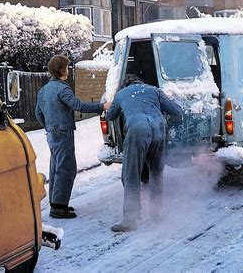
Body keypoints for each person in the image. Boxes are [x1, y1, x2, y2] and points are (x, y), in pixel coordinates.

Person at [35, 55, 111, 219]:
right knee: (67, 168)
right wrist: (101, 106)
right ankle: (58, 208)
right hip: (63, 132)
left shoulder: (44, 90)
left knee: (56, 167)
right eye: (67, 67)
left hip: (51, 133)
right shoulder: (63, 88)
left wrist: (50, 126)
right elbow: (78, 105)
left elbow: (38, 113)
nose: (68, 70)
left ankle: (56, 203)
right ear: (62, 69)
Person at [106, 76, 183, 232]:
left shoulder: (122, 93)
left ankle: (130, 219)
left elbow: (110, 116)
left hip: (137, 130)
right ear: (141, 82)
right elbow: (177, 111)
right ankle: (156, 214)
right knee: (156, 172)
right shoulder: (154, 90)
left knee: (131, 173)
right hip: (159, 129)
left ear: (125, 85)